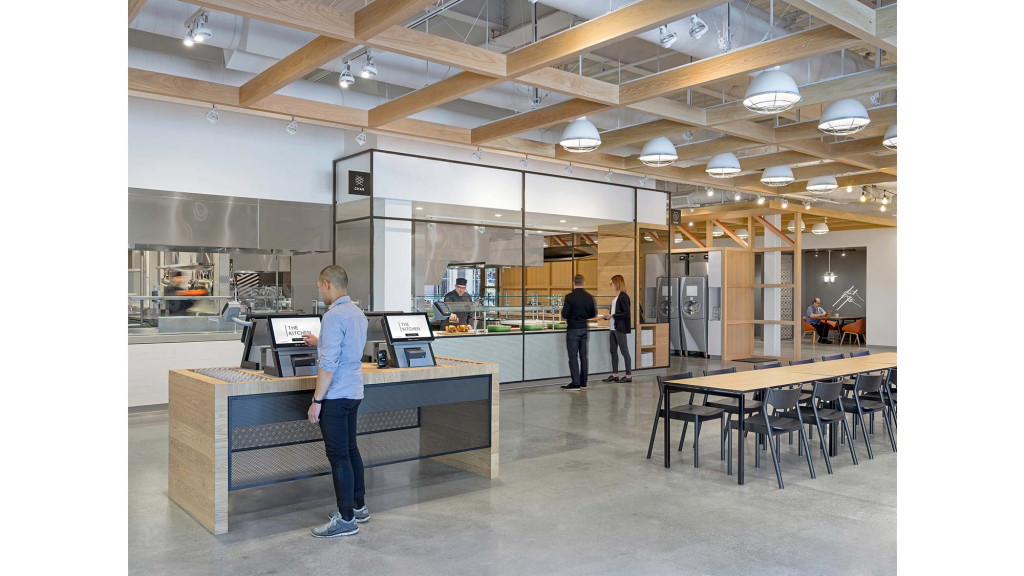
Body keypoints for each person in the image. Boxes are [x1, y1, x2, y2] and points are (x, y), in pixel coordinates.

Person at [303, 265, 369, 538]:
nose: (319, 291)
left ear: (327, 283)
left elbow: (328, 365)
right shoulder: (356, 313)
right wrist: (320, 342)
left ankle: (345, 521)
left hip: (336, 394)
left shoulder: (332, 317)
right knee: (351, 450)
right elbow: (346, 348)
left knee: (338, 455)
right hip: (353, 391)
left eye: (319, 287)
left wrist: (317, 400)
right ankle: (358, 508)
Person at [560, 274, 597, 391]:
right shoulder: (589, 297)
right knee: (583, 356)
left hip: (573, 329)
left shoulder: (569, 297)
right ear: (584, 283)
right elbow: (593, 314)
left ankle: (575, 383)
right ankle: (583, 382)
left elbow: (564, 315)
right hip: (584, 328)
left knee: (573, 356)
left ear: (573, 283)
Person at [600, 275, 632, 383]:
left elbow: (626, 313)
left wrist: (612, 316)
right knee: (613, 351)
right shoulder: (615, 298)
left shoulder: (624, 297)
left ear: (617, 283)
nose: (611, 285)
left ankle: (628, 376)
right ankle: (615, 375)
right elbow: (615, 313)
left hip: (620, 328)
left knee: (624, 351)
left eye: (612, 283)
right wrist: (606, 317)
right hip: (613, 328)